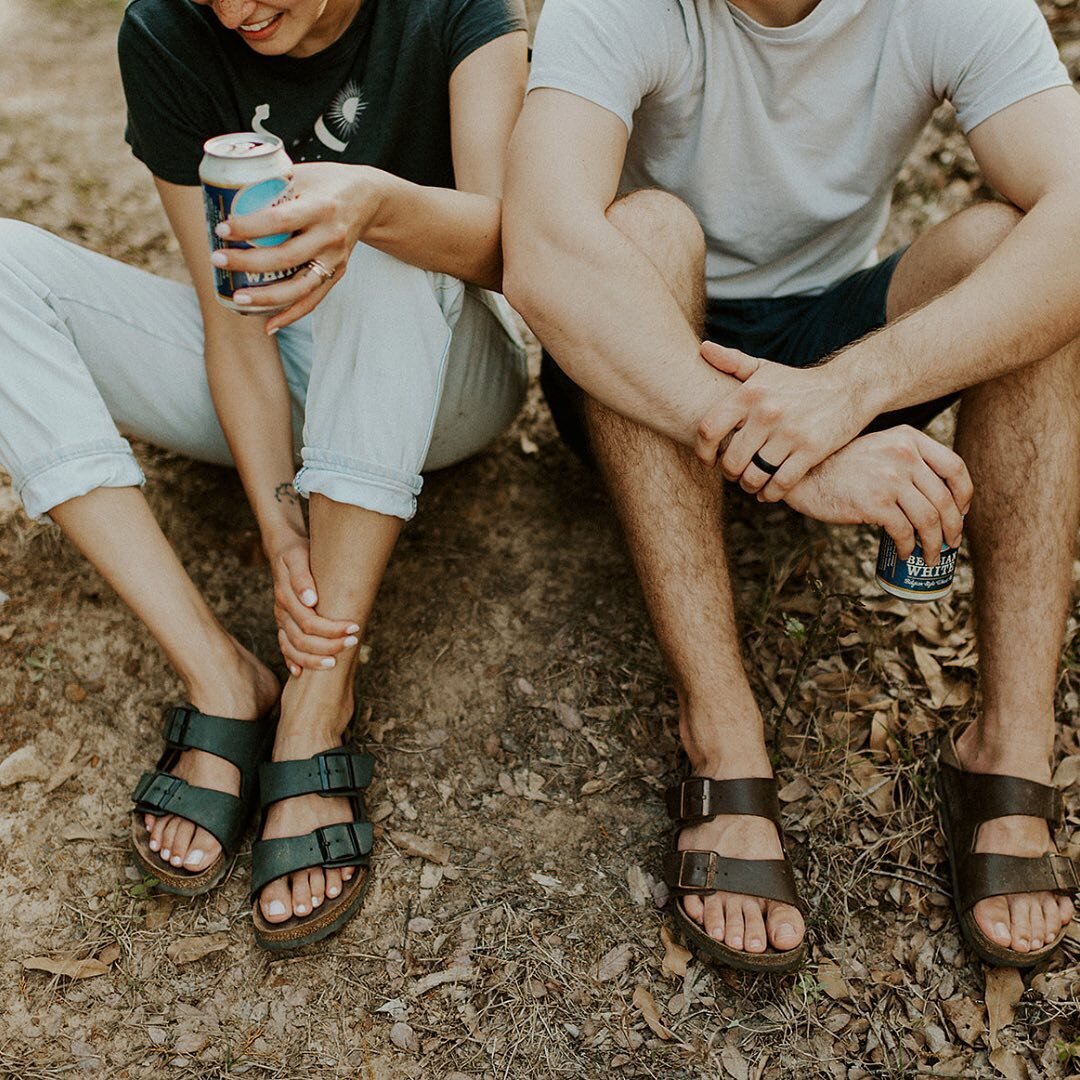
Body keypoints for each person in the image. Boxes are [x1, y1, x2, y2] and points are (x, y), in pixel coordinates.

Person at [503, 0, 1080, 972]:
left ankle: (1011, 743)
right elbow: (546, 247)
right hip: (646, 356)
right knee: (645, 229)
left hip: (833, 344)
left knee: (1015, 248)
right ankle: (724, 735)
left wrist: (842, 397)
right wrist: (771, 438)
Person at [0, 0, 528, 950]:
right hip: (277, 354)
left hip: (444, 367)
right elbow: (227, 314)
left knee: (372, 240)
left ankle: (317, 707)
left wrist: (373, 202)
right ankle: (224, 679)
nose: (236, 11)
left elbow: (515, 249)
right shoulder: (166, 30)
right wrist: (280, 512)